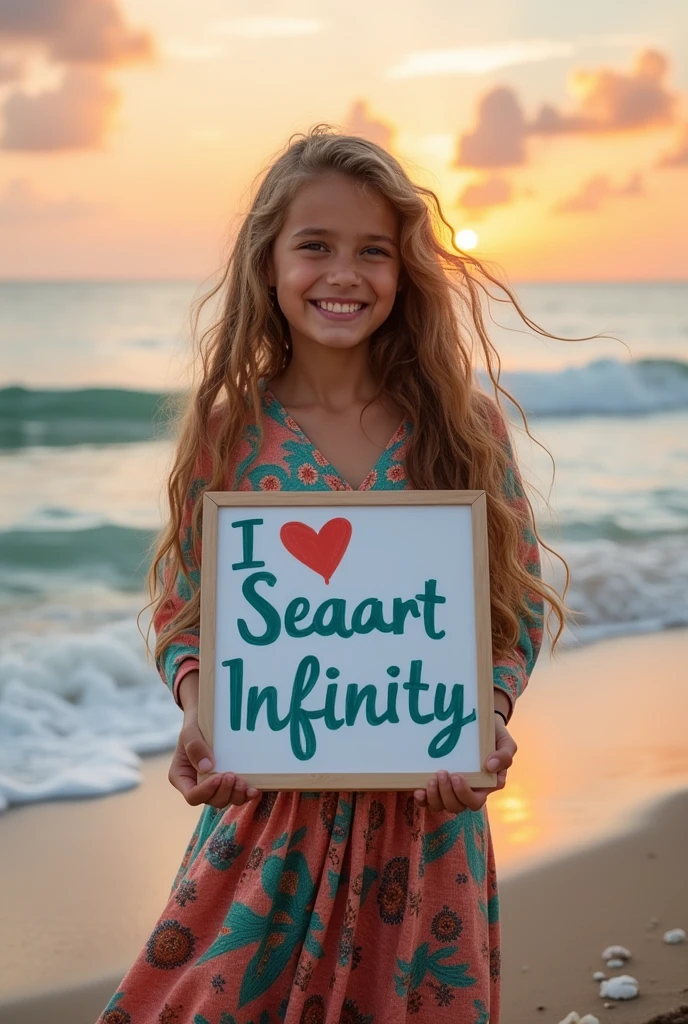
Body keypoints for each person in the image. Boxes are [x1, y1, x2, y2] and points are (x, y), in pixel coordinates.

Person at [99, 125, 569, 1024]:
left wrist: (488, 721)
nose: (343, 274)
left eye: (373, 252)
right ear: (267, 264)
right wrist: (204, 712)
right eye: (314, 246)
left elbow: (510, 612)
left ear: (405, 272)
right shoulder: (231, 433)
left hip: (429, 823)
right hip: (272, 816)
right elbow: (182, 607)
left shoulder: (461, 427)